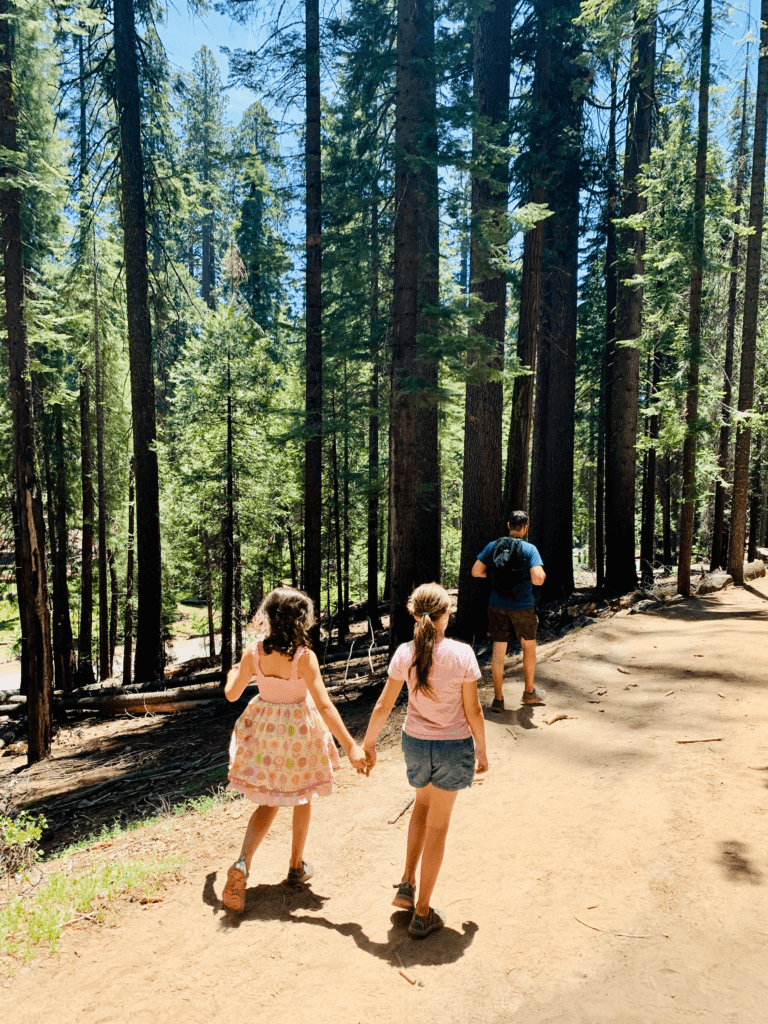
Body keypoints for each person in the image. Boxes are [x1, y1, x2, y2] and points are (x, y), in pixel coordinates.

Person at [221, 586, 367, 913]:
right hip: (300, 734)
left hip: (265, 735)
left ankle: (243, 863)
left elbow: (232, 695)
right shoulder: (303, 657)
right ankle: (295, 865)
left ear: (270, 616)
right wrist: (351, 748)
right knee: (303, 795)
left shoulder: (253, 652)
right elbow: (325, 706)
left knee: (268, 802)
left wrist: (233, 673)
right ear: (301, 620)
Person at [363, 583, 488, 939]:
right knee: (438, 825)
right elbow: (473, 709)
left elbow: (384, 704)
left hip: (416, 743)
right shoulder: (462, 654)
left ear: (415, 616)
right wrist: (481, 748)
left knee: (421, 806)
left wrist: (368, 744)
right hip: (452, 746)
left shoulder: (405, 653)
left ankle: (407, 882)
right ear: (445, 615)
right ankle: (422, 912)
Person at [471, 510, 546, 711]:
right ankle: (529, 693)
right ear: (525, 528)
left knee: (498, 650)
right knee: (528, 648)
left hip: (497, 605)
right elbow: (538, 578)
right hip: (523, 606)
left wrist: (495, 578)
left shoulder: (492, 546)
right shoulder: (530, 549)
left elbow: (476, 571)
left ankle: (498, 699)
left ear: (508, 525)